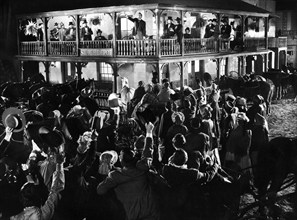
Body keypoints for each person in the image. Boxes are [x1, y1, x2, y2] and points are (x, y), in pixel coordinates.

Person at [97, 122, 160, 220]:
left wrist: (104, 175)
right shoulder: (142, 168)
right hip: (150, 214)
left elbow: (100, 190)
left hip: (131, 216)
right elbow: (148, 151)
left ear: (121, 161)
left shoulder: (115, 176)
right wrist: (149, 132)